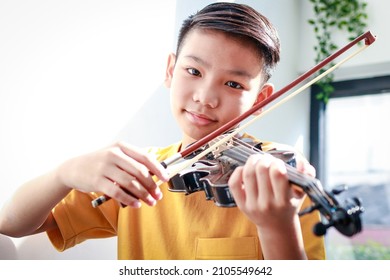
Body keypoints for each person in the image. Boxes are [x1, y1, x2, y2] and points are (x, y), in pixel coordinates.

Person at [0, 2, 325, 260]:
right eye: (194, 71)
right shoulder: (140, 176)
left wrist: (278, 226)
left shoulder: (282, 179)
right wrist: (65, 173)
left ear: (260, 100)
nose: (205, 97)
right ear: (171, 70)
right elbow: (11, 224)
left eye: (233, 84)